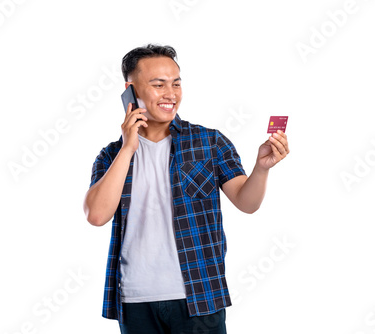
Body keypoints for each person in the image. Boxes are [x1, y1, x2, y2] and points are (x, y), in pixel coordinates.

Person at [83, 44, 289, 334]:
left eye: (176, 83)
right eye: (159, 84)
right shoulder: (111, 156)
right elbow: (96, 215)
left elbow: (247, 202)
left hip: (199, 296)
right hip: (135, 301)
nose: (171, 94)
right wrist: (129, 147)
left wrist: (262, 168)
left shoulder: (210, 142)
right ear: (130, 90)